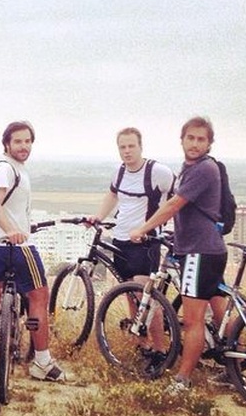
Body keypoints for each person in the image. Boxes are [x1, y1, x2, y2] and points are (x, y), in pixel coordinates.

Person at [129, 116, 228, 394]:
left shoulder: (203, 169)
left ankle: (182, 380)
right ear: (182, 139)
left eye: (201, 139)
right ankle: (234, 368)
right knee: (220, 312)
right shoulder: (191, 168)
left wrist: (144, 228)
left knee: (194, 320)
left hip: (199, 252)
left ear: (209, 143)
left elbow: (175, 204)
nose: (195, 143)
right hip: (210, 249)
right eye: (191, 138)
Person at [87, 127, 175, 371]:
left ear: (140, 146)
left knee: (147, 297)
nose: (127, 151)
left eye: (131, 146)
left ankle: (161, 351)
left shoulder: (158, 172)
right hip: (121, 240)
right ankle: (142, 345)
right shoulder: (120, 172)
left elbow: (178, 198)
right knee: (129, 295)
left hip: (144, 243)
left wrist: (161, 226)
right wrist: (99, 216)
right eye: (122, 147)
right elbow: (112, 195)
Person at [0, 121, 65, 382]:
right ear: (7, 143)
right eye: (18, 141)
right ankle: (42, 361)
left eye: (28, 141)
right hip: (15, 246)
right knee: (39, 296)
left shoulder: (9, 168)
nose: (24, 146)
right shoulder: (6, 169)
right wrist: (12, 229)